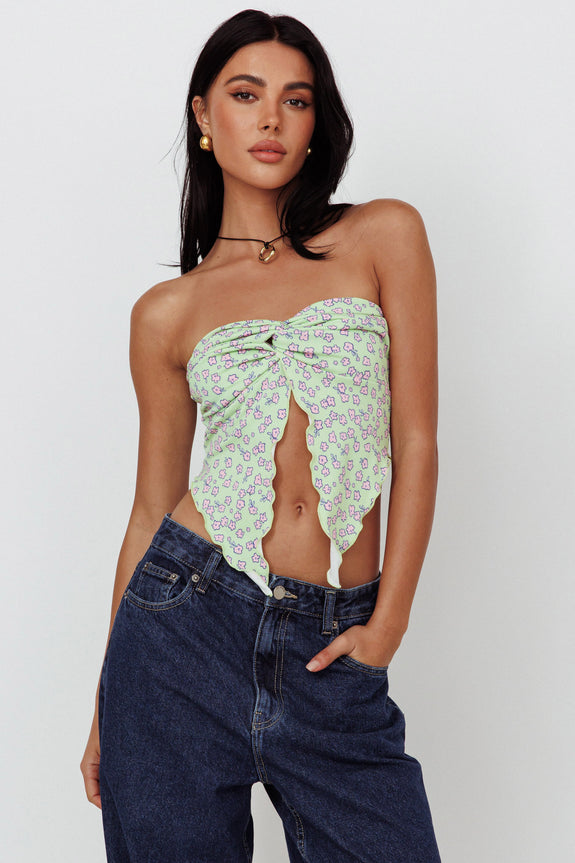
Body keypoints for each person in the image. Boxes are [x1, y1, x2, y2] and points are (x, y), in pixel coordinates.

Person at [80, 8, 441, 862]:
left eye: (296, 99)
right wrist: (103, 705)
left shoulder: (382, 235)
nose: (271, 118)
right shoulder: (166, 312)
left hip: (334, 641)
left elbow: (417, 440)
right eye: (246, 95)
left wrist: (386, 624)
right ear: (204, 115)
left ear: (317, 123)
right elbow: (150, 509)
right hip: (180, 632)